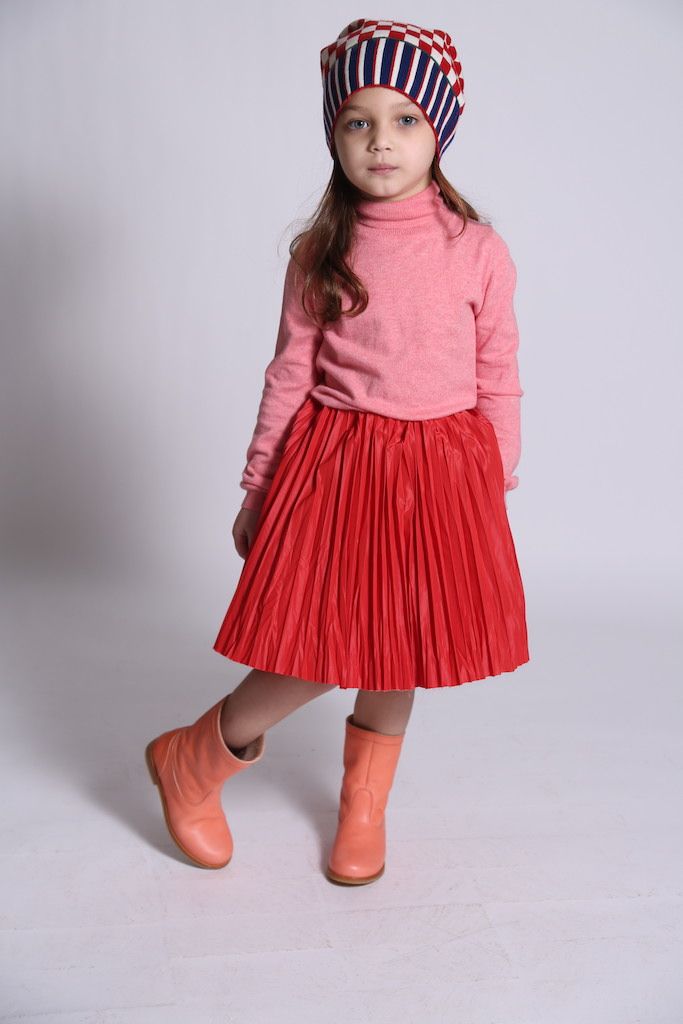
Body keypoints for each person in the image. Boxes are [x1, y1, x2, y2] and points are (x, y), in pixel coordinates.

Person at [145, 17, 530, 887]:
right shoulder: (323, 251)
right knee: (324, 645)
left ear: (438, 131)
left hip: (443, 467)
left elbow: (499, 370)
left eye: (404, 120)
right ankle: (196, 755)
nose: (380, 141)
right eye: (358, 121)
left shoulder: (478, 250)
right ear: (334, 136)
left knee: (405, 640)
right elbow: (288, 374)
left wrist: (492, 472)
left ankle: (363, 804)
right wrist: (257, 486)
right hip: (340, 463)